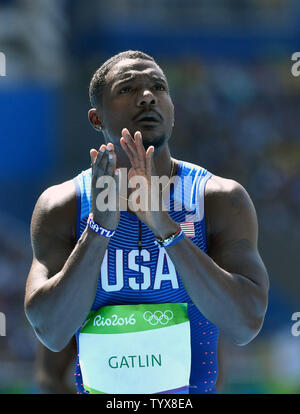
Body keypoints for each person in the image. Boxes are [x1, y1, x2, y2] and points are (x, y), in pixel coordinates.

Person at [24, 50, 269, 394]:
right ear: (96, 119)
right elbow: (50, 332)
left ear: (172, 114)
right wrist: (98, 230)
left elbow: (245, 323)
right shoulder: (62, 205)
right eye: (127, 89)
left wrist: (166, 228)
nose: (148, 96)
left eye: (159, 87)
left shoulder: (219, 200)